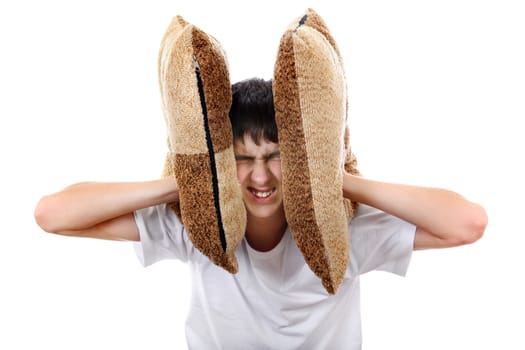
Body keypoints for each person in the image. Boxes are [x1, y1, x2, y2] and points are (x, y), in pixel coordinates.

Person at [34, 78, 487, 349]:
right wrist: (193, 176)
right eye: (242, 158)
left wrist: (330, 175)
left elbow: (467, 223)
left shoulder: (342, 231)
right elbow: (54, 214)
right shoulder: (196, 226)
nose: (261, 175)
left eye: (276, 155)